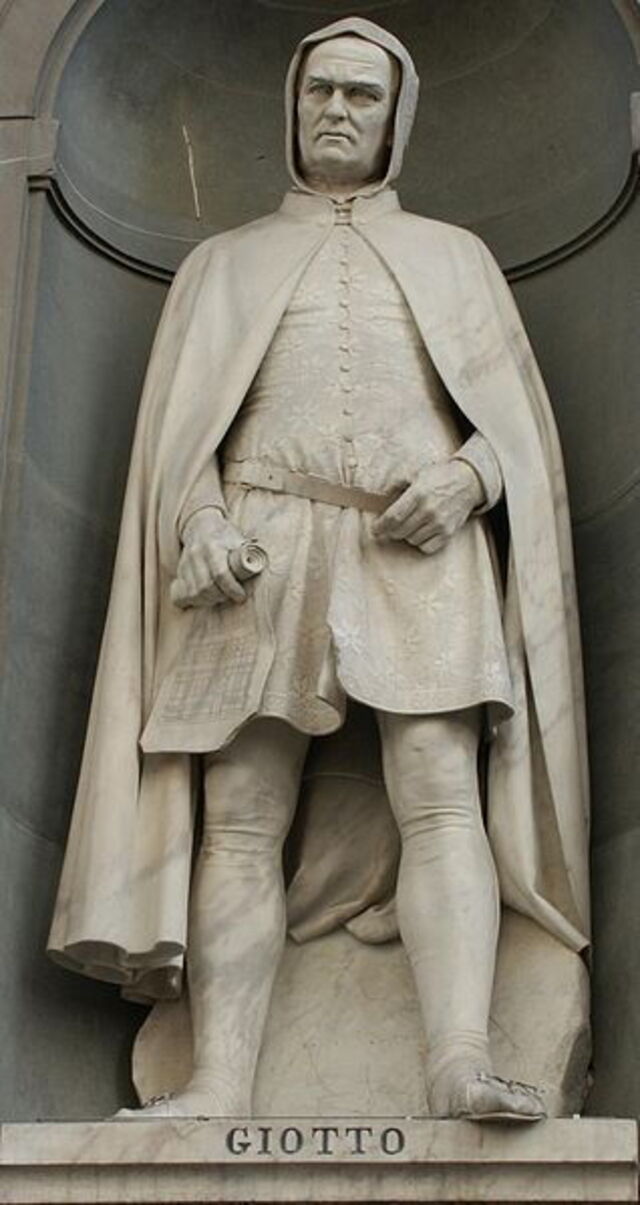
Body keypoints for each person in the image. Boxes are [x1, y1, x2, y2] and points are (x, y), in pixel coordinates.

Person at [48, 17, 590, 1122]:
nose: (337, 110)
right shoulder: (222, 262)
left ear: (398, 119)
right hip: (260, 539)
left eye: (361, 96)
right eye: (321, 93)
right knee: (241, 805)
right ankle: (221, 1079)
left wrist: (472, 476)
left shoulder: (455, 256)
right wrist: (195, 519)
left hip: (413, 540)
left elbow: (520, 426)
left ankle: (456, 1057)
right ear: (291, 108)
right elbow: (176, 441)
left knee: (442, 788)